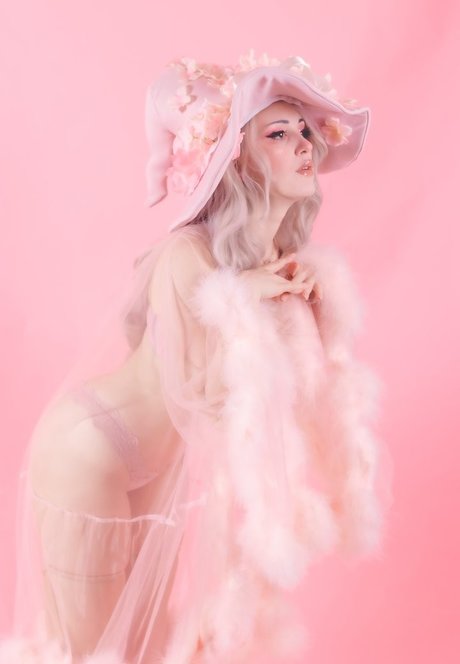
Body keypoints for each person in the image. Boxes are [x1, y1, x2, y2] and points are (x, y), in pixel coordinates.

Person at [0, 50, 393, 664]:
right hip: (92, 445)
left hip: (158, 461)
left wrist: (307, 313)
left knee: (146, 642)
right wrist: (252, 297)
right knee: (88, 649)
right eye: (278, 133)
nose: (304, 143)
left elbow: (282, 398)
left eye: (304, 130)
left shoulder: (275, 263)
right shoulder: (185, 254)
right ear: (238, 158)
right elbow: (201, 390)